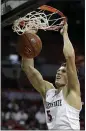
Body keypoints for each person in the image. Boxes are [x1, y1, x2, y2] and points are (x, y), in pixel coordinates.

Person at [21, 23, 82, 130]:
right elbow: (27, 68)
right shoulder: (49, 92)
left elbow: (69, 56)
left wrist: (65, 34)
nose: (58, 73)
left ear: (70, 76)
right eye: (58, 71)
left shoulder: (72, 92)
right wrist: (29, 38)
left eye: (63, 71)